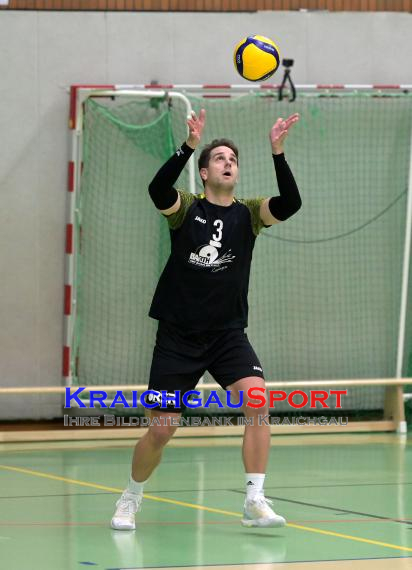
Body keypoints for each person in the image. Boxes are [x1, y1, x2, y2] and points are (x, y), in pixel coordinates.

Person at [111, 109, 301, 531]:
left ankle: (254, 498)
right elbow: (158, 187)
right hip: (177, 337)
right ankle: (131, 495)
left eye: (233, 159)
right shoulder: (185, 210)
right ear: (204, 170)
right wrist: (189, 144)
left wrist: (278, 151)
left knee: (258, 402)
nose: (228, 162)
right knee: (161, 431)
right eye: (219, 158)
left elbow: (291, 203)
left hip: (227, 335)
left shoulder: (249, 214)